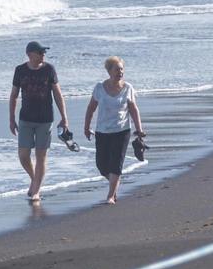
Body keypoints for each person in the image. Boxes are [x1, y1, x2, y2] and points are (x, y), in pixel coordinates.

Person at [9, 40, 69, 202]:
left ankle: (36, 191)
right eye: (40, 52)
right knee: (23, 155)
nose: (43, 54)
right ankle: (35, 179)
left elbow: (57, 94)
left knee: (41, 156)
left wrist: (64, 118)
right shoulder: (20, 70)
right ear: (30, 54)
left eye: (44, 52)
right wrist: (11, 119)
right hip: (25, 119)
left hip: (45, 119)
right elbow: (14, 95)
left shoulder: (49, 69)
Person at [83, 56, 145, 205]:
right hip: (102, 131)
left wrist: (139, 129)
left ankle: (110, 195)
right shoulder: (99, 88)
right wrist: (86, 127)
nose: (120, 72)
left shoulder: (128, 88)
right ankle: (114, 183)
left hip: (122, 130)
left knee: (116, 163)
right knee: (102, 165)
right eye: (117, 69)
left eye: (122, 69)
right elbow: (91, 108)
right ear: (109, 71)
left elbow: (133, 109)